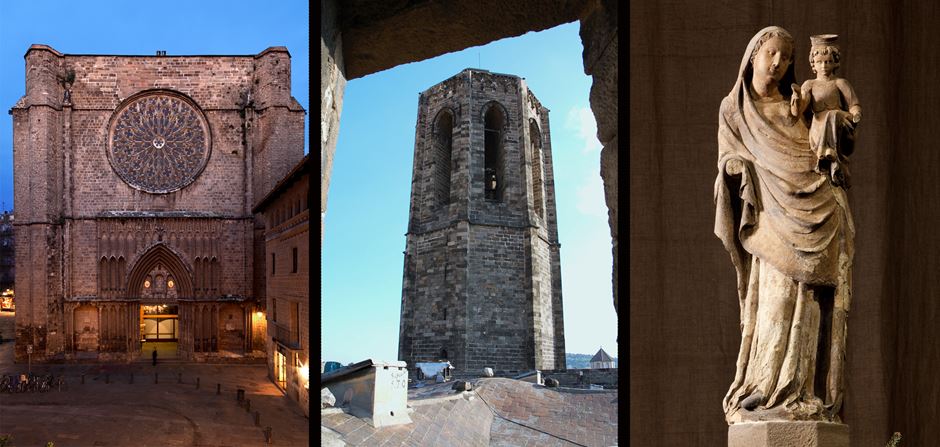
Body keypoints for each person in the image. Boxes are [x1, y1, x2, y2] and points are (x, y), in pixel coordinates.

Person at [715, 26, 854, 424]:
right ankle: (765, 387)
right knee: (774, 302)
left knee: (809, 307)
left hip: (817, 209)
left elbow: (826, 146)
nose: (778, 64)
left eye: (786, 58)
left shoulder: (800, 105)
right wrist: (733, 165)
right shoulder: (734, 108)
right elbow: (727, 154)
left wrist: (834, 121)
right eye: (772, 54)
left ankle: (801, 389)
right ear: (754, 53)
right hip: (770, 213)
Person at [790, 34, 861, 189]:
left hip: (840, 127)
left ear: (835, 62)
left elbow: (854, 105)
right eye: (819, 62)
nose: (824, 66)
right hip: (818, 130)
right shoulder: (810, 85)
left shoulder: (840, 83)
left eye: (828, 62)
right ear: (813, 64)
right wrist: (796, 99)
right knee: (829, 117)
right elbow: (798, 112)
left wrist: (856, 115)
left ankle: (831, 154)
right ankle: (828, 159)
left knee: (833, 115)